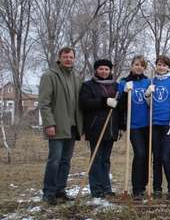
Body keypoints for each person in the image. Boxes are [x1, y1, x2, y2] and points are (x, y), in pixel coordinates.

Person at [38, 46, 83, 205]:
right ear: (59, 57)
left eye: (71, 57)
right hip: (56, 126)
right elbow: (44, 103)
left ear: (74, 58)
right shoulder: (50, 76)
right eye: (65, 56)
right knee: (54, 160)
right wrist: (49, 123)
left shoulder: (76, 78)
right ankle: (48, 192)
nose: (68, 59)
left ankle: (60, 190)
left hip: (72, 126)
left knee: (65, 160)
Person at [79, 59, 119, 198]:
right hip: (95, 127)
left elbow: (121, 107)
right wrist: (104, 101)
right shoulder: (88, 85)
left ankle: (106, 187)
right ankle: (96, 189)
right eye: (101, 69)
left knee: (106, 159)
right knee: (96, 158)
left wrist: (121, 126)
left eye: (106, 69)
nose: (104, 71)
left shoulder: (115, 86)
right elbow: (84, 103)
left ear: (110, 71)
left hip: (111, 127)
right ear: (96, 70)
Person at [145, 55, 170, 200]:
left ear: (168, 67)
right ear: (156, 66)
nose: (161, 67)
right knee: (157, 158)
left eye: (164, 65)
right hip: (154, 124)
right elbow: (149, 104)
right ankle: (157, 188)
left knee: (165, 157)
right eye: (159, 64)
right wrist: (147, 94)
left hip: (168, 124)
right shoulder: (152, 81)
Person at [118, 55, 151, 200]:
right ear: (131, 65)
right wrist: (125, 93)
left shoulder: (148, 82)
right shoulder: (124, 82)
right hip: (134, 125)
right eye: (136, 64)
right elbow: (120, 106)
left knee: (147, 155)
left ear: (144, 68)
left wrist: (150, 95)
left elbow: (152, 103)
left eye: (142, 65)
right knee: (140, 154)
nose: (139, 67)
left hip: (148, 124)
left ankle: (143, 185)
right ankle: (136, 188)